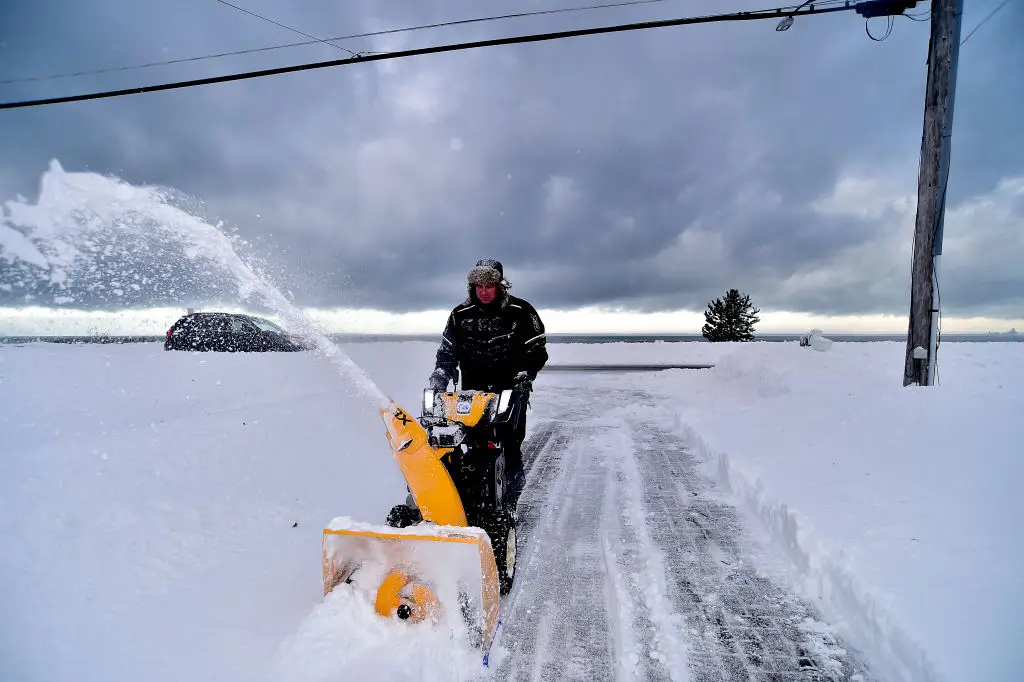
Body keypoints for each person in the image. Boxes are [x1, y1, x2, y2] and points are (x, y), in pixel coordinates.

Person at [427, 258, 547, 510]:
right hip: (471, 394)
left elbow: (537, 351)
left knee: (508, 444)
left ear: (500, 285)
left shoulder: (521, 312)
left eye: (489, 285)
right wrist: (440, 375)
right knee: (467, 442)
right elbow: (447, 353)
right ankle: (465, 496)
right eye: (478, 285)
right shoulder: (459, 316)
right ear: (472, 287)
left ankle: (509, 501)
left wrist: (526, 374)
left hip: (510, 393)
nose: (483, 291)